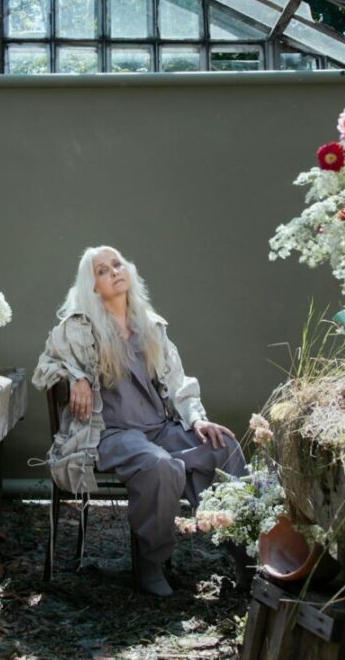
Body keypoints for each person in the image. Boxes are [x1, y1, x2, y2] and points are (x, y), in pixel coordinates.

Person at [32, 245, 245, 597]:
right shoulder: (78, 329)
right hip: (112, 434)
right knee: (161, 467)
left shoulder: (151, 326)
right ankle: (151, 562)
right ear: (92, 285)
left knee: (223, 448)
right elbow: (46, 366)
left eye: (117, 264)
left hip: (159, 428)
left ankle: (245, 550)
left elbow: (178, 383)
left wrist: (197, 421)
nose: (113, 271)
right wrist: (77, 376)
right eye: (102, 270)